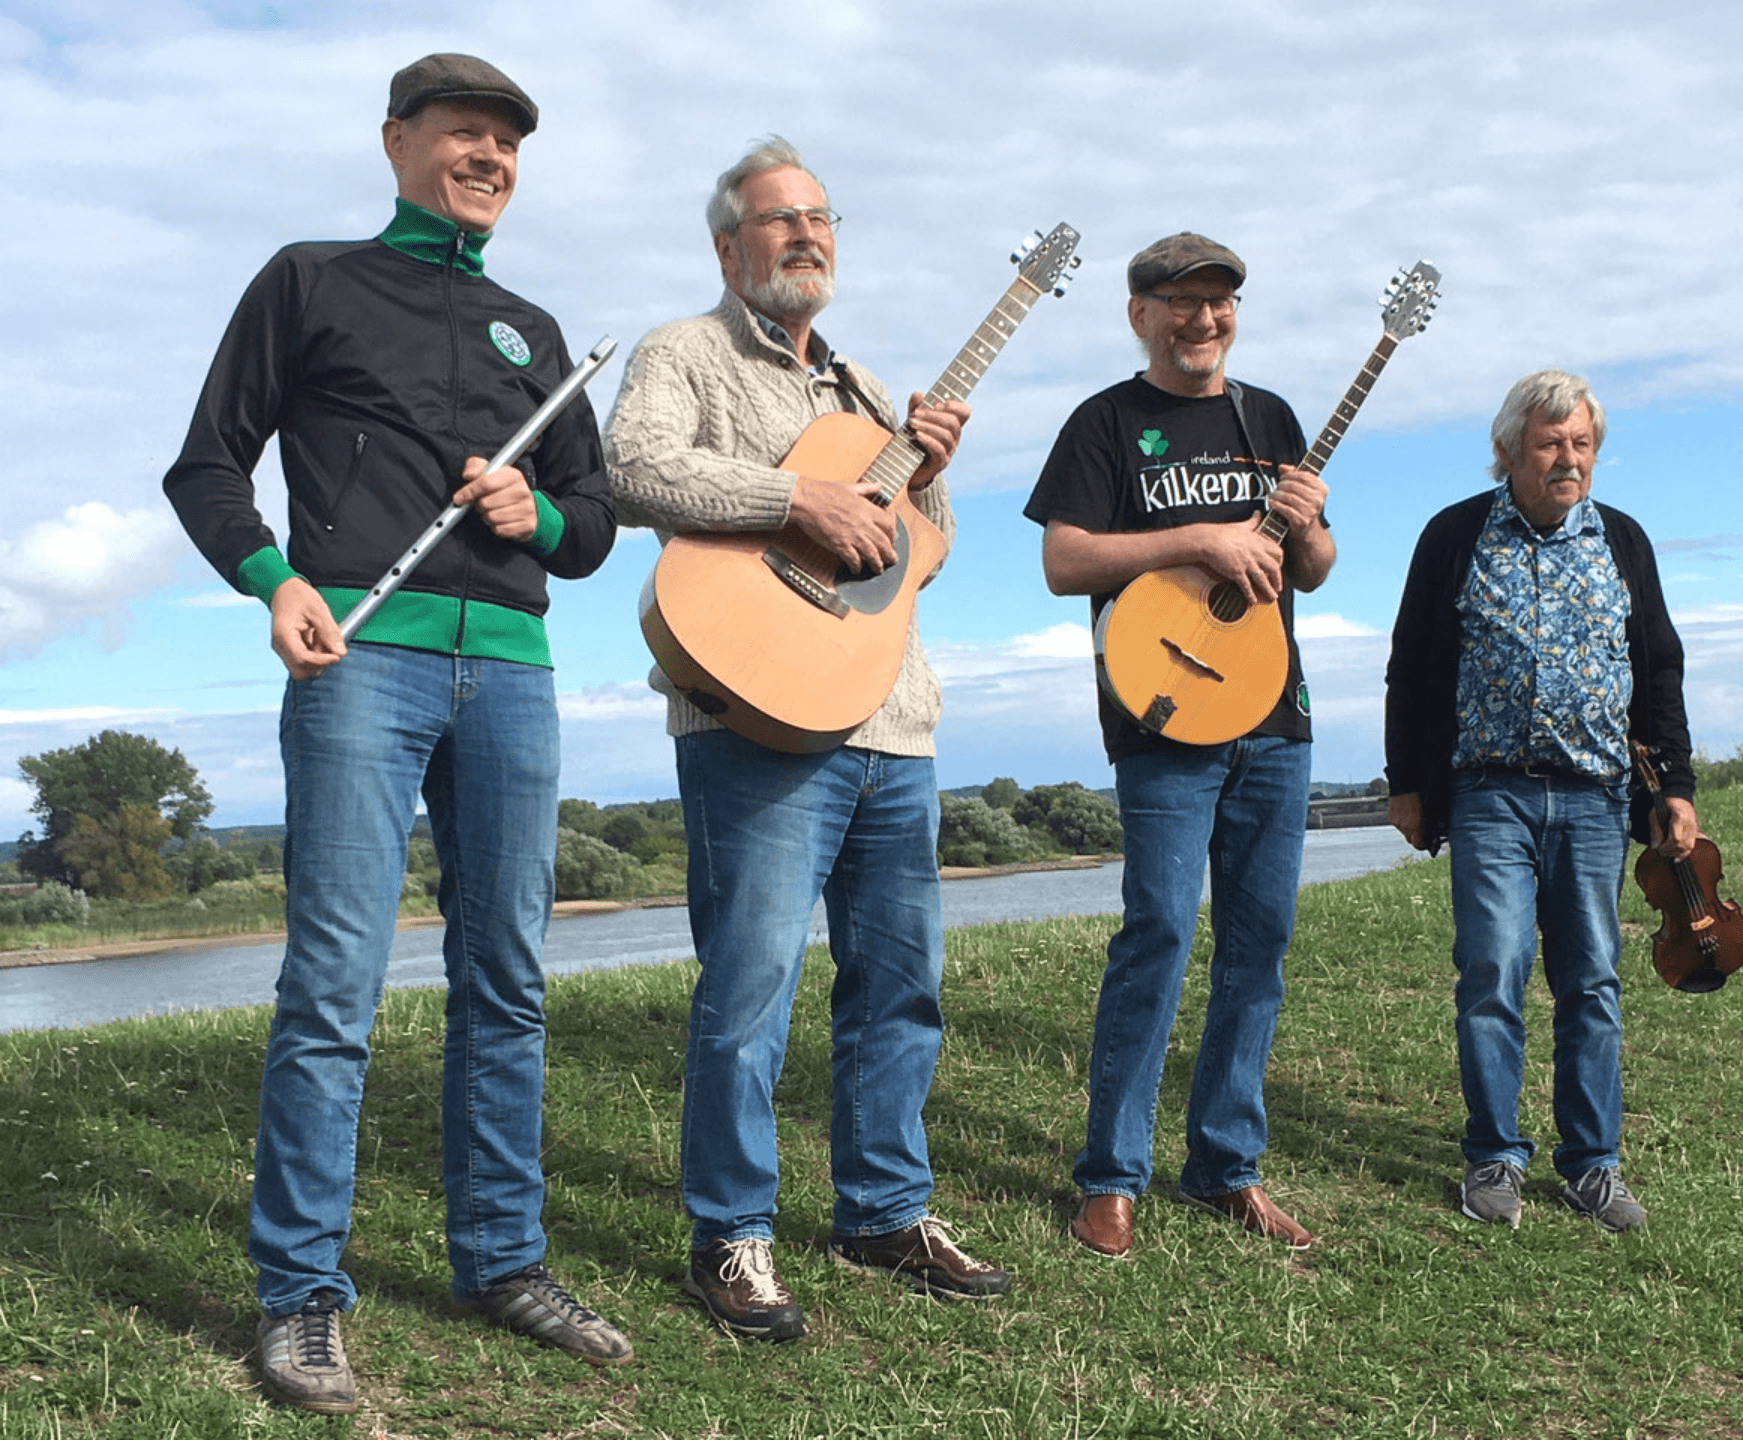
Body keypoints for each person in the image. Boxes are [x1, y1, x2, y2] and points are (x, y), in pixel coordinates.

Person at [162, 53, 629, 1414]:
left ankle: (504, 1261)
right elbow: (205, 462)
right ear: (397, 142)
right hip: (366, 663)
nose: (487, 156)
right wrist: (274, 579)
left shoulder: (535, 331)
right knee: (333, 989)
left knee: (510, 981)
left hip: (518, 676)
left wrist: (530, 518)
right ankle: (301, 1297)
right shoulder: (310, 280)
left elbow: (592, 526)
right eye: (462, 134)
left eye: (506, 143)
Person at [600, 136, 1010, 1341]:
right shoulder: (684, 353)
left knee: (901, 988)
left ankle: (885, 1209)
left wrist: (928, 473)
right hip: (755, 711)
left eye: (820, 219)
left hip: (891, 721)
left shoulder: (870, 387)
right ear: (729, 244)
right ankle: (733, 1232)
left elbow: (917, 552)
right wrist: (796, 497)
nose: (805, 237)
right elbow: (632, 471)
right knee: (749, 989)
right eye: (779, 221)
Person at [1022, 233, 1337, 1259]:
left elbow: (1314, 569)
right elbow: (1065, 560)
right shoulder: (1106, 423)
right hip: (1161, 717)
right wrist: (1198, 540)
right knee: (1158, 929)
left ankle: (1225, 1168)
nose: (1203, 320)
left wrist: (1313, 525)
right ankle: (1111, 1177)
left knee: (1259, 945)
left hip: (1274, 720)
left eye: (1219, 303)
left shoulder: (1271, 418)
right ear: (1139, 315)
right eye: (1181, 303)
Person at [1382, 369, 1697, 1233]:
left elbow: (1657, 668)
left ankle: (1594, 1167)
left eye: (1582, 444)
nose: (1569, 459)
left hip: (1596, 798)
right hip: (1490, 794)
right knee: (1492, 970)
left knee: (1591, 980)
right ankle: (1493, 1159)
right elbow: (1411, 665)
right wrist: (1407, 782)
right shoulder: (1455, 535)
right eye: (1551, 443)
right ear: (1511, 452)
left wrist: (1674, 788)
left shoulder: (1623, 541)